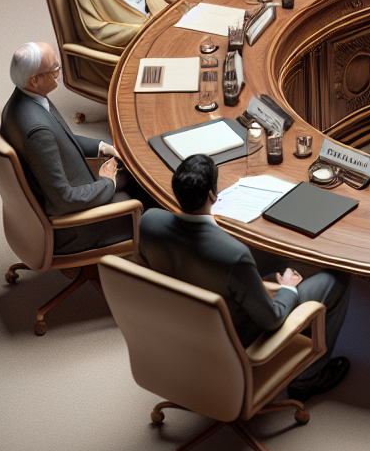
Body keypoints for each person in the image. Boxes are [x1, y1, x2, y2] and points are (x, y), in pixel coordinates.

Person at [138, 154, 352, 401]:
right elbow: (272, 320)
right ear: (212, 195)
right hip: (233, 337)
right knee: (338, 278)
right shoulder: (233, 255)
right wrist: (287, 290)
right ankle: (308, 378)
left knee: (268, 258)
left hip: (179, 326)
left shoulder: (149, 221)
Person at [0, 42, 135, 254]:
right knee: (149, 202)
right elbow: (64, 200)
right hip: (78, 227)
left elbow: (61, 140)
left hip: (76, 186)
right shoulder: (37, 132)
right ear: (34, 80)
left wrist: (102, 146)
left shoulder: (24, 99)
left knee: (133, 173)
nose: (59, 73)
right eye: (55, 69)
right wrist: (107, 182)